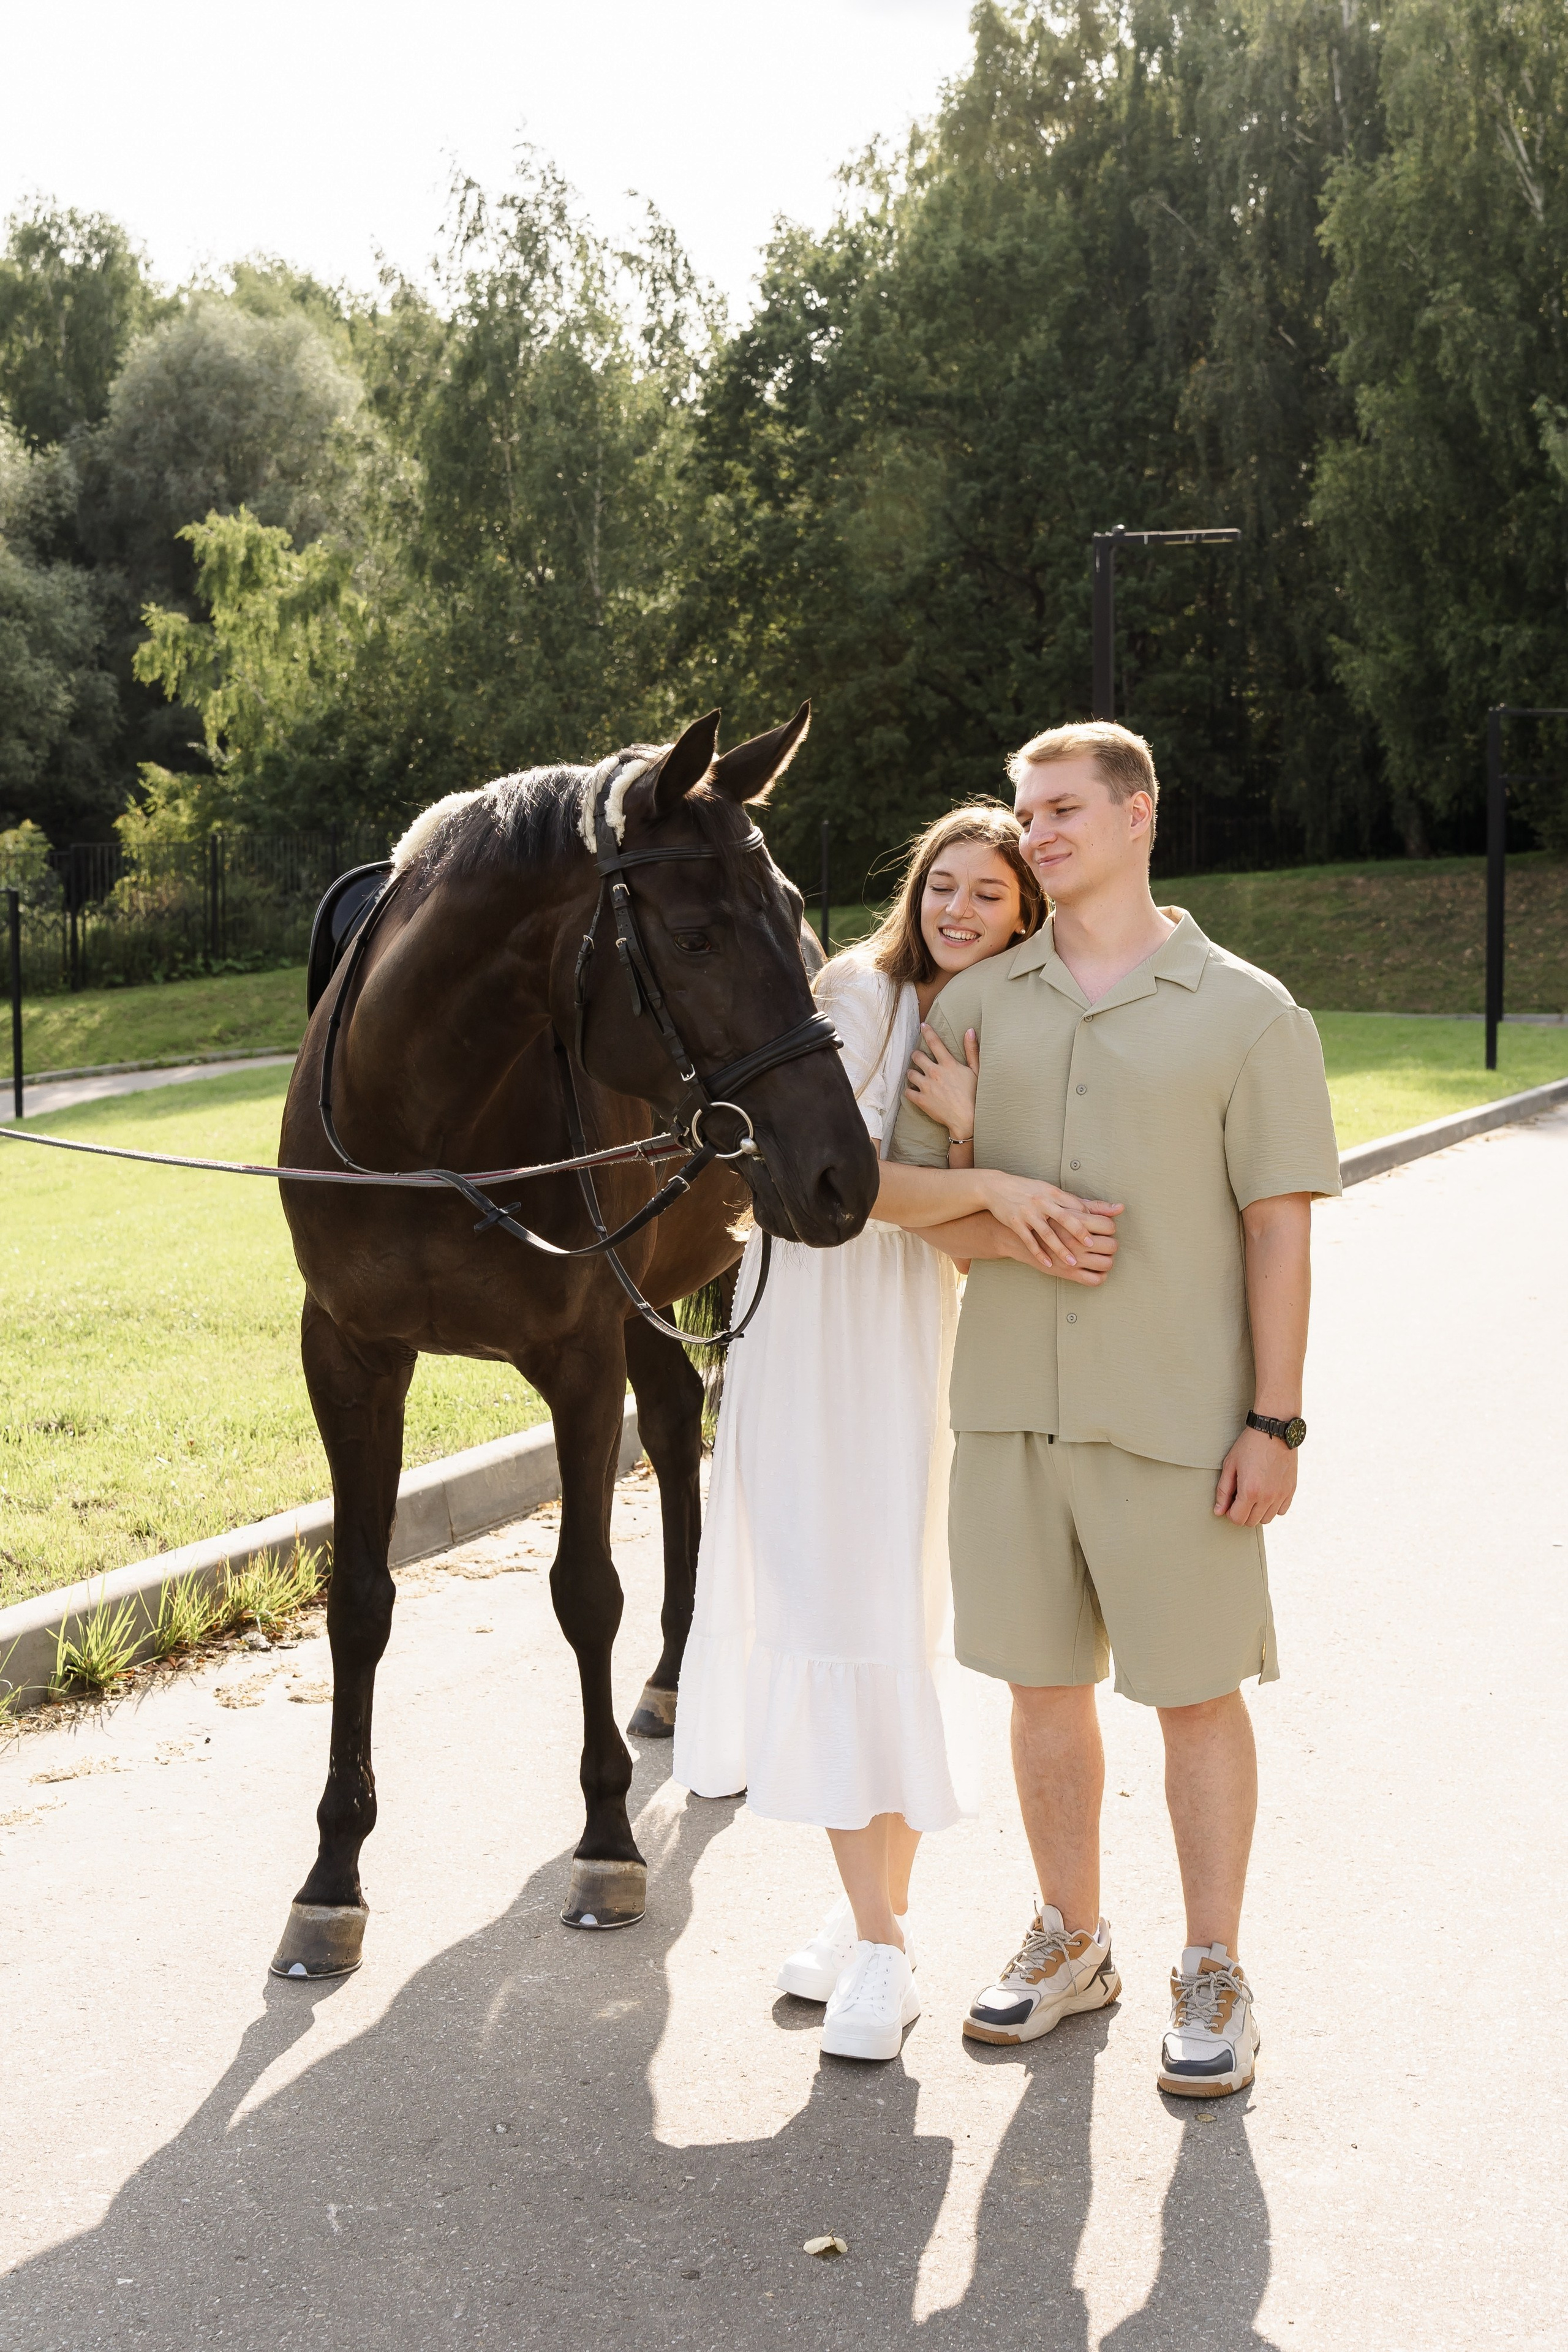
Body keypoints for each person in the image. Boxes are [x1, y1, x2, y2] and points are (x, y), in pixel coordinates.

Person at [891, 721, 1341, 2098]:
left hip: (1180, 1424)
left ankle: (1213, 1969)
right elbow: (912, 1212)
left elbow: (1278, 1232)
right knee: (1041, 1691)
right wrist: (990, 1184)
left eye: (1064, 807)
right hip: (1014, 1413)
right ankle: (1071, 1940)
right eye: (1027, 810)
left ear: (1142, 814)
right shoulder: (972, 1011)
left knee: (1193, 1699)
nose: (1036, 831)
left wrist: (1273, 1424)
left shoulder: (1249, 1012)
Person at [673, 802, 1119, 2064]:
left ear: (1025, 915)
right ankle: (879, 1944)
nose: (959, 912)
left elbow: (971, 1242)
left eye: (990, 895)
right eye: (944, 886)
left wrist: (977, 1149)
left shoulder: (999, 1025)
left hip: (912, 1341)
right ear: (912, 888)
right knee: (824, 1613)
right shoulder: (852, 994)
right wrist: (983, 1176)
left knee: (887, 1621)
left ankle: (875, 1919)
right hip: (813, 1335)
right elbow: (839, 1189)